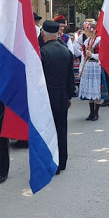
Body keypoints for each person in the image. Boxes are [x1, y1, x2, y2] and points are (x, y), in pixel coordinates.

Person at [40, 21, 74, 174]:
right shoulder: (66, 51)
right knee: (61, 128)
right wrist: (69, 96)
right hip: (62, 94)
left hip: (47, 95)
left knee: (48, 130)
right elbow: (70, 78)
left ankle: (52, 162)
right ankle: (62, 161)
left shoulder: (42, 52)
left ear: (43, 34)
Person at [78, 20, 106, 121]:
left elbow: (104, 56)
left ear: (91, 30)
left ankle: (96, 113)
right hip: (88, 67)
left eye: (86, 30)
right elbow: (83, 57)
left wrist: (92, 55)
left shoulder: (99, 41)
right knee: (90, 90)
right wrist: (81, 70)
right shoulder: (87, 42)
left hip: (96, 67)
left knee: (96, 90)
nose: (84, 32)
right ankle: (91, 113)